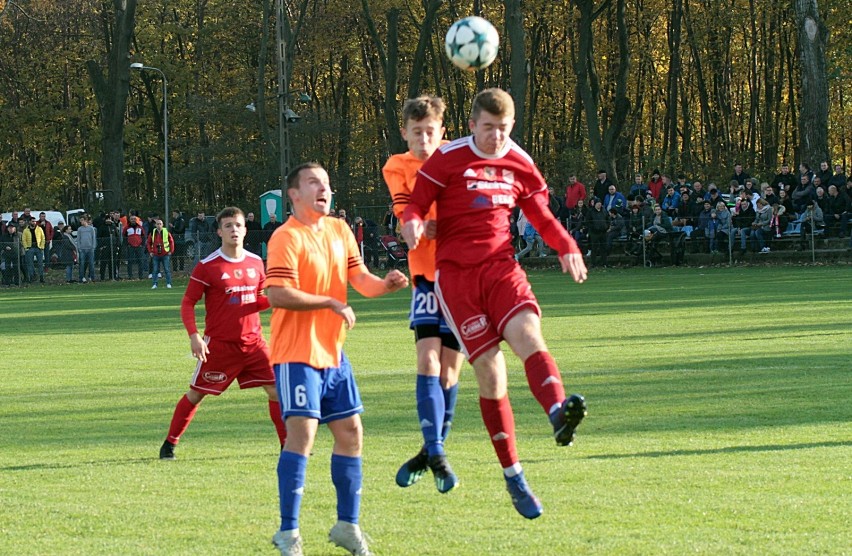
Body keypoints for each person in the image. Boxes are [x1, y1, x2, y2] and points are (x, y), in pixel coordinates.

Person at [402, 88, 588, 520]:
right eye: (488, 128)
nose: (495, 137)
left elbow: (541, 214)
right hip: (458, 280)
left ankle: (558, 412)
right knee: (491, 371)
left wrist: (566, 245)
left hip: (502, 269)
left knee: (529, 335)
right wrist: (412, 224)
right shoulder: (446, 159)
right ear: (471, 125)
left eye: (504, 129)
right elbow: (415, 205)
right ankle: (514, 475)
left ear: (513, 125)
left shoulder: (518, 161)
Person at [266, 162, 408, 555]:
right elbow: (276, 293)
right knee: (304, 434)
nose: (323, 189)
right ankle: (288, 533)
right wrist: (329, 301)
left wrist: (385, 285)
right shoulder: (286, 237)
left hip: (333, 354)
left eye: (327, 183)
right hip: (296, 354)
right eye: (313, 182)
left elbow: (360, 280)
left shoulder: (339, 230)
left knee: (351, 433)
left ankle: (347, 525)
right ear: (294, 194)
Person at [382, 95, 465, 492]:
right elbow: (405, 214)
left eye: (430, 132)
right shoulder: (397, 166)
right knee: (428, 360)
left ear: (442, 132)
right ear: (404, 132)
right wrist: (418, 225)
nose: (423, 139)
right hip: (426, 277)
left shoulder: (458, 158)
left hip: (463, 278)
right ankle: (436, 451)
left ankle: (430, 453)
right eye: (416, 132)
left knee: (450, 371)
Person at [160, 207, 287, 461]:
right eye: (228, 226)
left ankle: (289, 448)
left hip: (254, 344)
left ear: (245, 229)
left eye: (238, 225)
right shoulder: (208, 266)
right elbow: (187, 303)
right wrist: (194, 335)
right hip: (219, 346)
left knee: (277, 392)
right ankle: (169, 445)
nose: (234, 230)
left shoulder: (255, 263)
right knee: (196, 394)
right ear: (219, 231)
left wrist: (275, 299)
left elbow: (255, 302)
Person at [147, 218, 174, 289]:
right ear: (155, 225)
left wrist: (171, 250)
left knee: (167, 269)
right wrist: (150, 251)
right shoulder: (153, 232)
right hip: (155, 254)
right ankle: (154, 284)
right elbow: (148, 243)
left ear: (162, 225)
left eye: (160, 224)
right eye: (157, 224)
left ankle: (169, 283)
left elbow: (171, 241)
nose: (159, 225)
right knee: (155, 270)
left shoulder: (166, 232)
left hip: (165, 254)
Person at [21, 218, 46, 283]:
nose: (34, 222)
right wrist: (26, 247)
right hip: (30, 248)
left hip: (38, 248)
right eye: (32, 221)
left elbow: (43, 238)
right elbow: (23, 239)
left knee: (40, 264)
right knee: (30, 264)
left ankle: (41, 278)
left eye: (35, 221)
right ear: (29, 222)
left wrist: (42, 247)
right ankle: (31, 277)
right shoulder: (26, 230)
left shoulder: (39, 229)